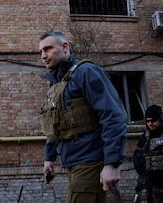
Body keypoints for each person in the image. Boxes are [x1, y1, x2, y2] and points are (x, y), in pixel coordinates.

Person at [38, 31, 127, 203]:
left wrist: (112, 163)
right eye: (41, 52)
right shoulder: (57, 83)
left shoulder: (86, 72)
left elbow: (113, 116)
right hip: (73, 163)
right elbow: (55, 124)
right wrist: (49, 158)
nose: (43, 56)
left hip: (90, 161)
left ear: (65, 47)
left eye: (47, 49)